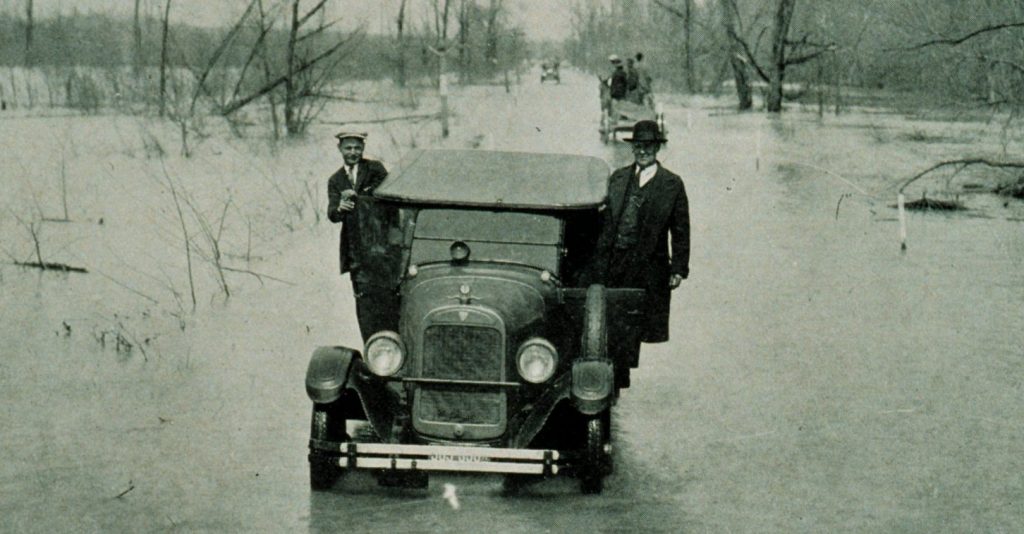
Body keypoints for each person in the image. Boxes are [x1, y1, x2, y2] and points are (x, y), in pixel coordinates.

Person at [588, 120, 689, 343]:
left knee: (638, 325)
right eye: (638, 146)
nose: (642, 151)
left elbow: (680, 229)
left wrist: (679, 269)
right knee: (610, 324)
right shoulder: (618, 178)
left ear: (657, 148)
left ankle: (624, 374)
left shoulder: (672, 184)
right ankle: (617, 376)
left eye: (648, 146)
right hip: (615, 262)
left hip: (649, 265)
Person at [326, 131, 399, 341]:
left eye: (357, 148)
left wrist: (359, 197)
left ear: (363, 149)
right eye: (348, 148)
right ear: (339, 149)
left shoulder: (375, 169)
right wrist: (340, 207)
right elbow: (332, 214)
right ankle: (372, 349)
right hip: (357, 252)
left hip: (383, 248)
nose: (353, 152)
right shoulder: (336, 180)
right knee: (364, 304)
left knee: (389, 301)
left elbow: (387, 195)